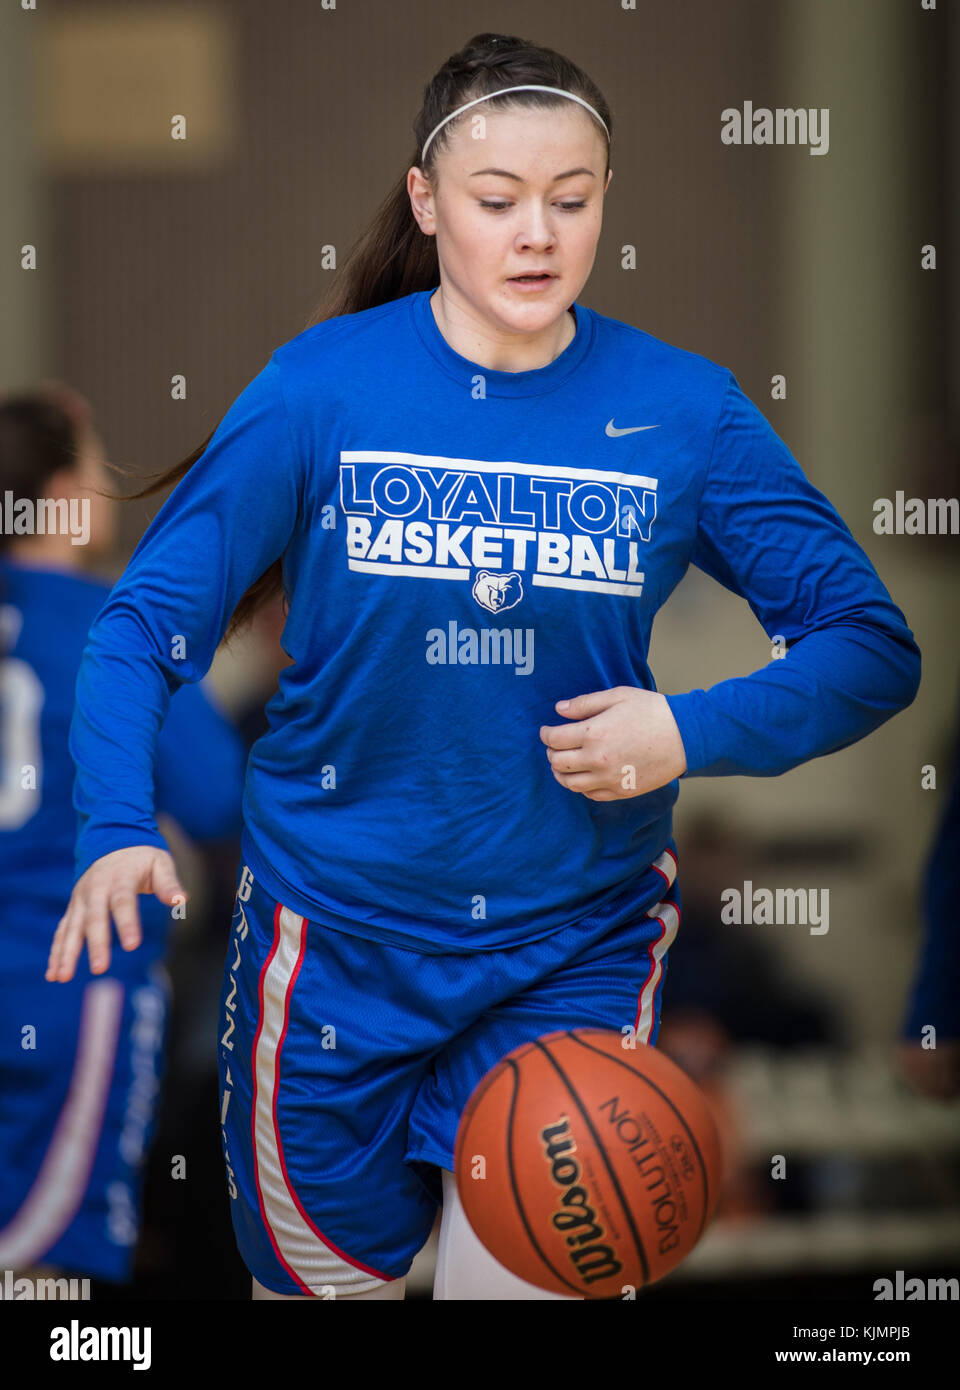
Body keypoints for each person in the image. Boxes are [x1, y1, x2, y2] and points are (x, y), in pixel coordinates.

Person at [46, 32, 921, 1301]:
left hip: (574, 945)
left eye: (571, 200)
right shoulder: (318, 393)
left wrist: (688, 731)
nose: (537, 235)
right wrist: (116, 822)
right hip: (332, 947)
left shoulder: (687, 412)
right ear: (426, 200)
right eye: (497, 200)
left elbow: (869, 645)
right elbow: (137, 631)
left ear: (604, 200)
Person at [0, 385, 248, 1289]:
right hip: (73, 986)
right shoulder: (114, 628)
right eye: (99, 468)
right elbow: (222, 798)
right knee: (55, 1279)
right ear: (63, 491)